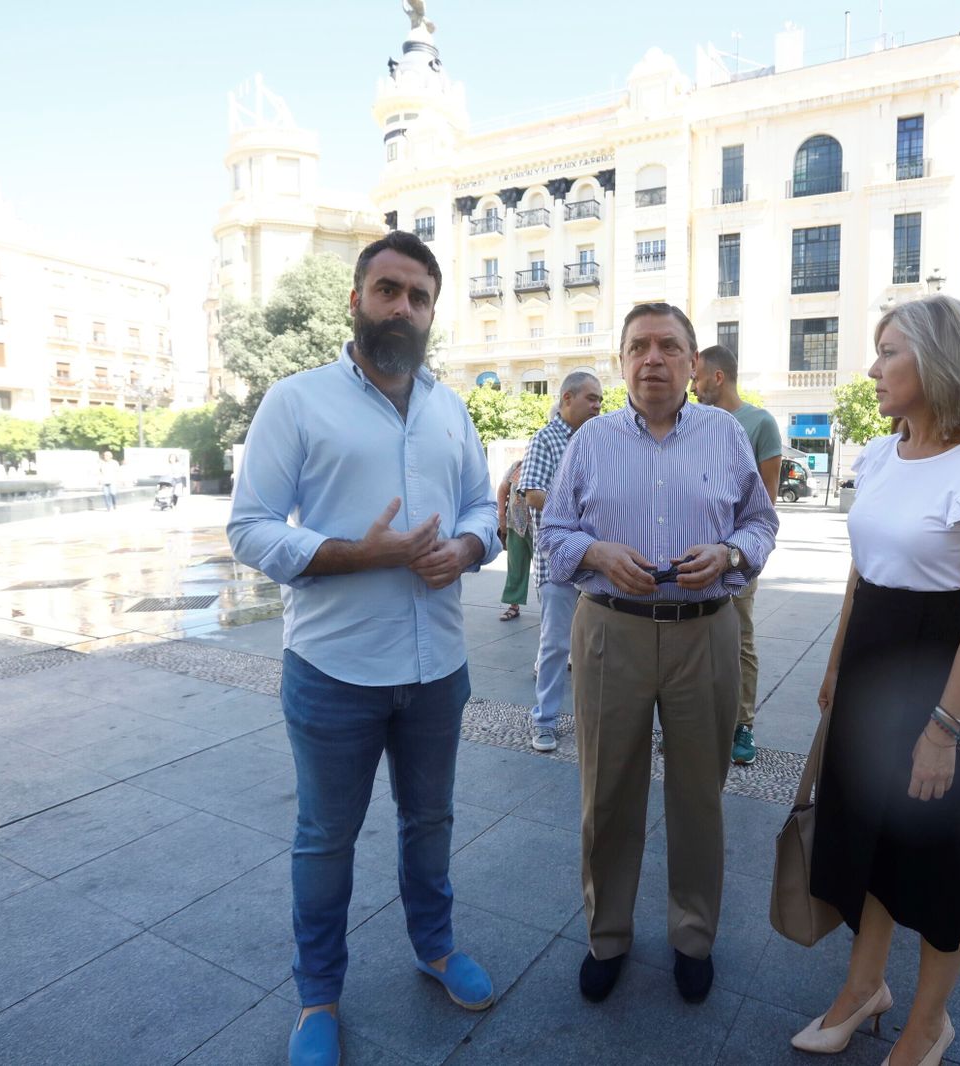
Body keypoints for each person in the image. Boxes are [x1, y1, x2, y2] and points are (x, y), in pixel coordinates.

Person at [227, 231, 501, 1066]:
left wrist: (466, 548)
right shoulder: (298, 401)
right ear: (356, 299)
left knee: (431, 821)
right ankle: (318, 996)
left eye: (418, 296)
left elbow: (484, 510)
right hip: (334, 671)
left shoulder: (451, 408)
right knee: (325, 838)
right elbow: (249, 527)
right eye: (387, 290)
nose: (403, 308)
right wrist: (357, 553)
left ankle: (435, 944)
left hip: (436, 669)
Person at [795, 295, 960, 1066]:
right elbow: (861, 574)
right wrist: (835, 665)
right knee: (864, 843)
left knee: (939, 866)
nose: (872, 367)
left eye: (888, 351)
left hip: (944, 686)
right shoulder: (876, 453)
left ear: (937, 360)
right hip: (869, 670)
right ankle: (863, 988)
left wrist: (944, 729)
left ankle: (928, 1023)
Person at [540, 302, 778, 1005]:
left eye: (669, 347)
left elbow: (761, 522)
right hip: (610, 628)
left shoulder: (727, 434)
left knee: (698, 795)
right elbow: (552, 533)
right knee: (607, 791)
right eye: (638, 346)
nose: (653, 359)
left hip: (706, 628)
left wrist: (732, 551)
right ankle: (607, 935)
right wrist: (595, 552)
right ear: (621, 363)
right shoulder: (591, 441)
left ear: (693, 364)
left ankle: (692, 935)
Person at [691, 344, 781, 766]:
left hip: (736, 559)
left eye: (697, 377)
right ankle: (695, 720)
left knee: (740, 637)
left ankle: (742, 723)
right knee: (694, 638)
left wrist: (735, 552)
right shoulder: (689, 422)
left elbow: (766, 500)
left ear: (718, 377)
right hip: (690, 558)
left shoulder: (759, 422)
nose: (693, 385)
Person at [516, 370, 603, 752]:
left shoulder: (597, 440)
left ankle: (595, 720)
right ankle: (545, 721)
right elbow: (532, 493)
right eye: (592, 399)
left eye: (601, 400)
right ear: (567, 398)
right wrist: (575, 508)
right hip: (557, 565)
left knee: (598, 649)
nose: (599, 406)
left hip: (596, 565)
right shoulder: (547, 439)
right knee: (555, 647)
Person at [496, 457, 530, 621]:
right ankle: (513, 605)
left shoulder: (551, 465)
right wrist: (501, 516)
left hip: (539, 527)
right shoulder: (517, 466)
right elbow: (503, 490)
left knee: (546, 571)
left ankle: (550, 608)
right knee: (515, 565)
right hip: (515, 524)